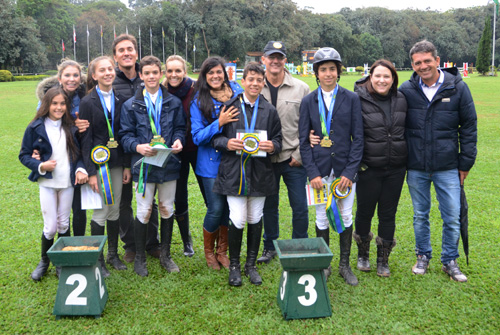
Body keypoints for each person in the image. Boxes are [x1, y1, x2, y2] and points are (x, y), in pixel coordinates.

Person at [399, 40, 477, 282]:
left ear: (437, 60)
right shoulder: (406, 89)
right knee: (420, 214)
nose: (423, 66)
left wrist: (465, 163)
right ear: (412, 64)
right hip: (416, 166)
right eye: (417, 62)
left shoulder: (458, 88)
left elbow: (469, 126)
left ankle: (449, 260)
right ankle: (423, 255)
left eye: (427, 61)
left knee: (452, 215)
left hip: (447, 166)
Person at [212, 62, 282, 286]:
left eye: (258, 80)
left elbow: (279, 140)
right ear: (243, 82)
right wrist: (227, 143)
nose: (254, 83)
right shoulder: (230, 106)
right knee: (238, 217)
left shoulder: (269, 110)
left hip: (261, 172)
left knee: (255, 217)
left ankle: (250, 265)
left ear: (263, 83)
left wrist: (273, 146)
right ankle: (234, 266)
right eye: (250, 79)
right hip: (235, 172)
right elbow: (215, 138)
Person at [299, 47, 363, 286]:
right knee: (321, 216)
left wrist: (350, 172)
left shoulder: (352, 98)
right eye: (323, 69)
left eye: (332, 69)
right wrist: (312, 173)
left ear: (338, 72)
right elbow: (303, 141)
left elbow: (359, 139)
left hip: (345, 171)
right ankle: (324, 264)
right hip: (319, 171)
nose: (328, 74)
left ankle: (344, 265)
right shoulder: (307, 101)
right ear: (316, 73)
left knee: (346, 215)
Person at [119, 56, 186, 276]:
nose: (151, 77)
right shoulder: (132, 104)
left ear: (161, 74)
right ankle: (140, 258)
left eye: (155, 72)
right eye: (146, 73)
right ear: (141, 75)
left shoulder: (173, 103)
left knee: (167, 208)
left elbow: (179, 128)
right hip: (143, 165)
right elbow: (125, 135)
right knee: (145, 210)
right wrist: (137, 147)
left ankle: (165, 255)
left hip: (168, 163)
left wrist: (178, 141)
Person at [20, 86, 88, 281]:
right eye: (54, 104)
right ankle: (44, 261)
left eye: (62, 104)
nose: (58, 108)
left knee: (63, 224)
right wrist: (41, 165)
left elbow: (80, 153)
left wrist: (81, 169)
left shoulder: (71, 127)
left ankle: (61, 261)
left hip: (67, 183)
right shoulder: (35, 127)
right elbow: (24, 155)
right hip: (47, 183)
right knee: (50, 227)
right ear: (46, 105)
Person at [352, 60, 407, 277]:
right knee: (364, 212)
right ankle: (363, 254)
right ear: (370, 77)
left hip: (395, 168)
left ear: (393, 79)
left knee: (388, 214)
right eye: (378, 76)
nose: (382, 80)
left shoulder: (402, 99)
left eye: (387, 76)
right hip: (368, 168)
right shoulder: (357, 99)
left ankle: (383, 259)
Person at [258, 41, 310, 265]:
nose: (275, 61)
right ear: (264, 59)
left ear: (285, 60)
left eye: (280, 57)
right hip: (264, 159)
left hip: (293, 159)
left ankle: (299, 246)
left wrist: (299, 154)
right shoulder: (254, 86)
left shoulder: (301, 88)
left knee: (299, 206)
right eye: (271, 57)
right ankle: (269, 246)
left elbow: (310, 125)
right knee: (269, 207)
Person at [79, 56, 131, 277]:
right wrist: (91, 172)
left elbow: (125, 132)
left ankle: (113, 254)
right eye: (102, 70)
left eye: (110, 69)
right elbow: (86, 139)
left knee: (115, 208)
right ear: (94, 75)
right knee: (100, 210)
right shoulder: (87, 102)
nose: (108, 73)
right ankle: (98, 259)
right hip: (98, 164)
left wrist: (127, 165)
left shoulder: (121, 99)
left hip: (118, 162)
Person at [112, 34, 161, 263]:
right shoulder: (111, 80)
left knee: (148, 196)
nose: (126, 53)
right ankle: (130, 245)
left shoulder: (147, 75)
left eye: (130, 49)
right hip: (121, 150)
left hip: (149, 150)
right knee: (124, 202)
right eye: (121, 50)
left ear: (136, 52)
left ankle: (151, 243)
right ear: (115, 56)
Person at [190, 57, 243, 270]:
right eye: (210, 73)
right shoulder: (198, 101)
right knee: (215, 208)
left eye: (219, 72)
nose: (215, 76)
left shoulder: (237, 94)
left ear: (225, 73)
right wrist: (218, 123)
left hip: (233, 162)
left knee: (229, 210)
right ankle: (209, 252)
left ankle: (223, 251)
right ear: (204, 76)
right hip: (209, 164)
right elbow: (197, 137)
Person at [35, 59, 89, 237]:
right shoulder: (47, 99)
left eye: (75, 75)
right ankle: (56, 254)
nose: (71, 79)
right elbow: (38, 128)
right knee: (57, 215)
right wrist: (36, 151)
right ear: (59, 78)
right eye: (67, 75)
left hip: (79, 157)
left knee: (79, 208)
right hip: (58, 160)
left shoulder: (85, 98)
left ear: (80, 79)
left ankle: (78, 247)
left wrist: (84, 126)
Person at [162, 55, 207, 257]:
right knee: (179, 197)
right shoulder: (161, 91)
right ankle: (186, 241)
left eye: (177, 70)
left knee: (210, 194)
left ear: (185, 71)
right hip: (175, 152)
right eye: (170, 71)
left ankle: (215, 239)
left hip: (199, 149)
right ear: (165, 72)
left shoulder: (197, 88)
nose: (174, 75)